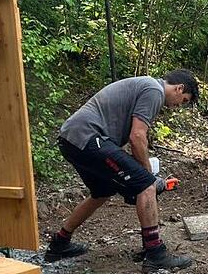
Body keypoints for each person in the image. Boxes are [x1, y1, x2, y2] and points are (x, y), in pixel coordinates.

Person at [44, 70, 199, 273]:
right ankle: (155, 254)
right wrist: (148, 178)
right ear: (179, 88)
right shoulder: (154, 90)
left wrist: (134, 179)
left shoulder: (144, 86)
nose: (178, 106)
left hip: (71, 139)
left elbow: (126, 147)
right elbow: (137, 137)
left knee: (102, 192)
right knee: (146, 184)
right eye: (183, 100)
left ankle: (59, 243)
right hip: (88, 137)